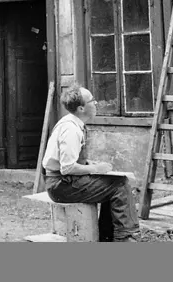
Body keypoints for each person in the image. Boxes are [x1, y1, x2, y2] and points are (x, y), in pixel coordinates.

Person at [42, 84, 140, 242]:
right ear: (81, 108)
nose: (95, 103)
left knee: (113, 183)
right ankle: (126, 239)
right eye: (92, 101)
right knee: (120, 185)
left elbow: (68, 160)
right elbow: (67, 168)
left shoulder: (72, 123)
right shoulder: (71, 129)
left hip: (63, 181)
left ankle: (108, 238)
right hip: (61, 185)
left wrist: (90, 163)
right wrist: (95, 168)